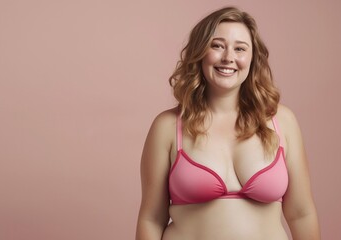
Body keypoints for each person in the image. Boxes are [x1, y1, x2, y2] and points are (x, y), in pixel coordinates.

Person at [135, 6, 320, 240]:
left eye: (240, 48)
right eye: (217, 45)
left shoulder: (283, 122)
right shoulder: (167, 127)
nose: (228, 57)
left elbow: (301, 214)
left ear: (253, 58)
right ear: (200, 52)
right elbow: (151, 219)